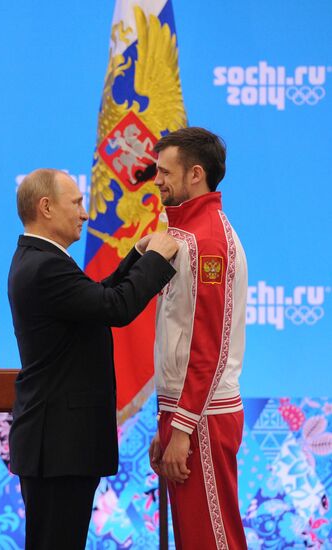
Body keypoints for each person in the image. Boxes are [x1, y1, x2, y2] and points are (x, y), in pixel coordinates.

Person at [8, 168, 178, 550]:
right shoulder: (45, 266)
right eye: (78, 203)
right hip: (58, 449)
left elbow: (95, 299)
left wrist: (136, 256)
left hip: (55, 447)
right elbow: (115, 308)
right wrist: (159, 260)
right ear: (46, 207)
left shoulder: (38, 259)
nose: (85, 213)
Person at [148, 127, 248, 549]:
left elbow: (209, 346)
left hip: (203, 415)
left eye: (164, 172)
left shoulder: (208, 242)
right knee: (195, 539)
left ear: (195, 175)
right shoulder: (181, 235)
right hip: (185, 410)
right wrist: (167, 422)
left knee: (213, 540)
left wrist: (184, 426)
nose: (156, 181)